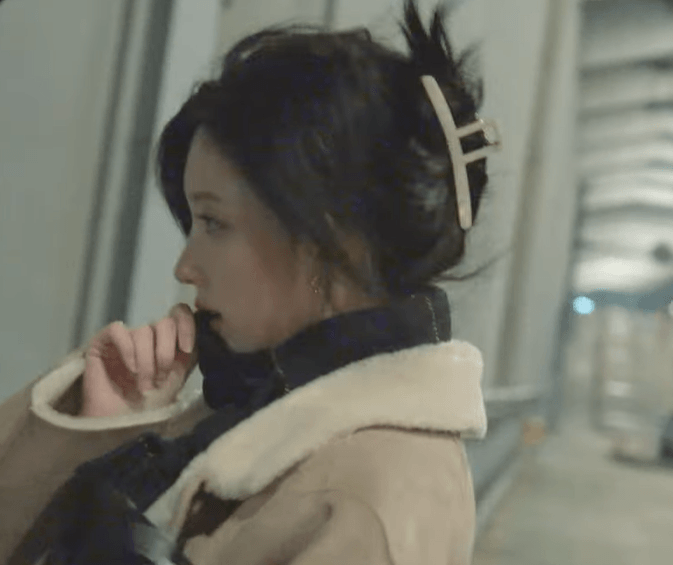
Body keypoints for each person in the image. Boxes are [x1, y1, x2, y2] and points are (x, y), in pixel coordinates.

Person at [0, 1, 500, 563]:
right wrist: (103, 432)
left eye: (214, 222)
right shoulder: (248, 405)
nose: (185, 267)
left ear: (331, 240)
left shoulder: (369, 500)